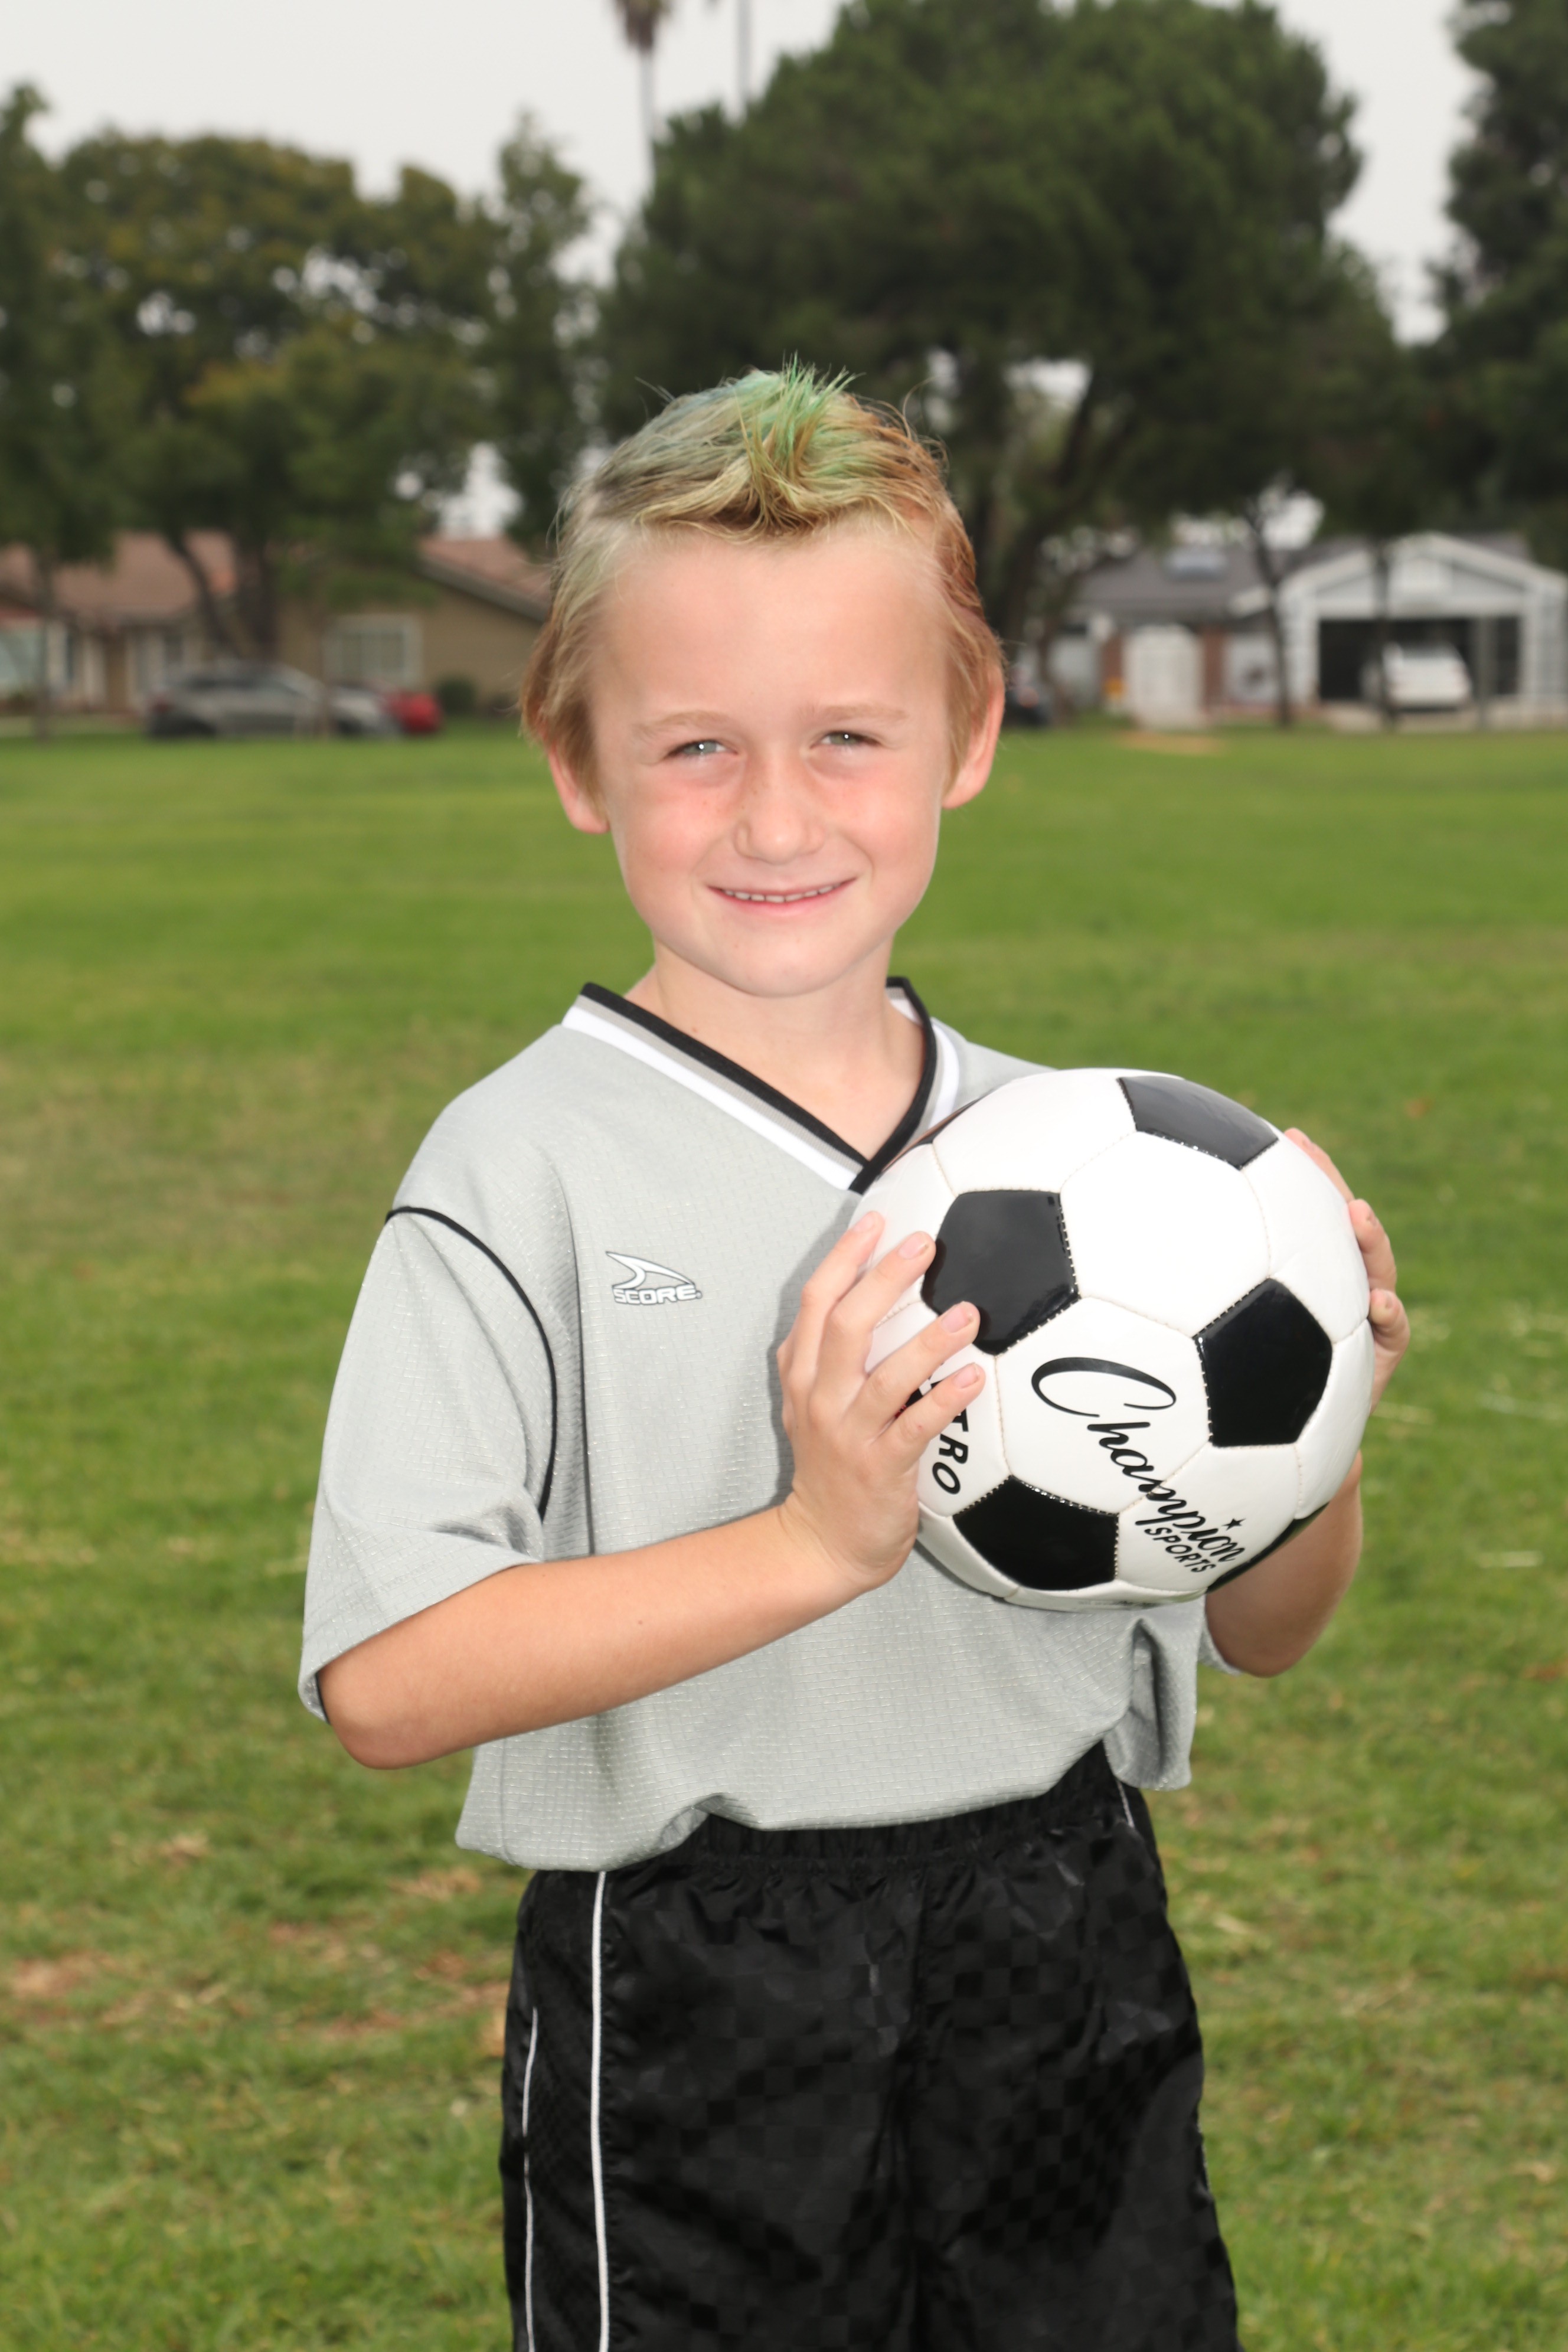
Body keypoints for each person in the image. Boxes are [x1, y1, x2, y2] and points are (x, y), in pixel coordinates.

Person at [299, 365, 1409, 2352]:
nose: (778, 814)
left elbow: (1263, 1630)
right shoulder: (517, 1169)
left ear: (967, 734)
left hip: (1066, 1932)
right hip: (706, 1986)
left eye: (847, 735)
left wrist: (1312, 1433)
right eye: (696, 746)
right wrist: (811, 1545)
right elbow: (391, 1680)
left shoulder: (1123, 1170)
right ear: (575, 756)